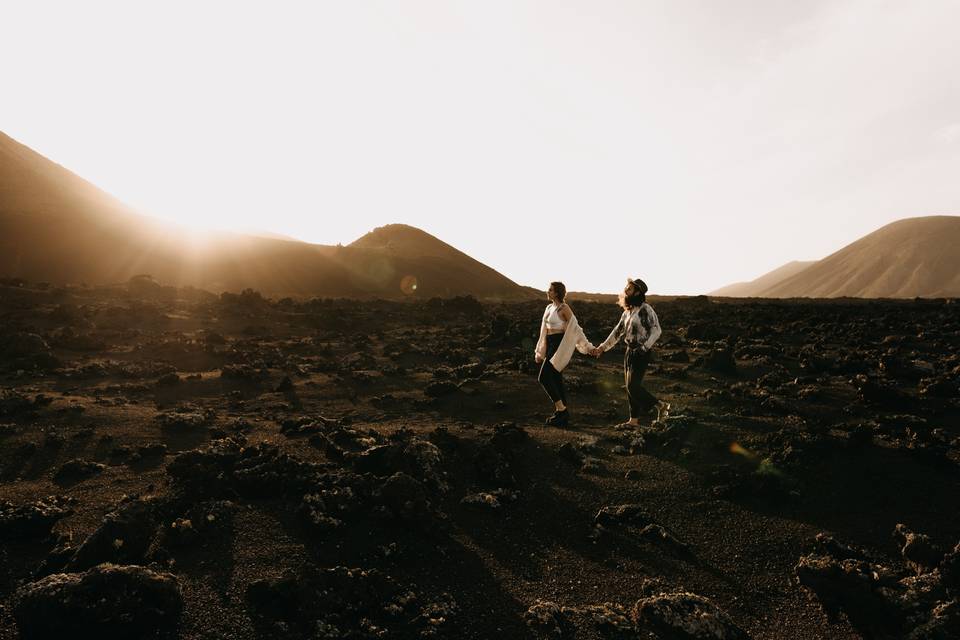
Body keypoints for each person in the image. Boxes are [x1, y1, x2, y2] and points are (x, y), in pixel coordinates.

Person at [591, 278, 669, 427]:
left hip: (641, 352)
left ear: (637, 292)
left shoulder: (645, 309)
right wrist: (602, 348)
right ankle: (633, 420)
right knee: (629, 387)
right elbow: (617, 332)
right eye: (627, 287)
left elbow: (656, 330)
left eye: (630, 288)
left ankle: (661, 406)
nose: (626, 289)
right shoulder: (628, 311)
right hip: (629, 352)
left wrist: (645, 347)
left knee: (633, 386)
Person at [535, 281, 595, 427]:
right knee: (556, 378)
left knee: (543, 377)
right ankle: (562, 414)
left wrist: (588, 347)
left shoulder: (564, 308)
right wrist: (540, 350)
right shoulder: (549, 307)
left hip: (558, 345)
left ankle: (562, 410)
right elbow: (544, 331)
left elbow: (576, 328)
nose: (547, 291)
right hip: (550, 344)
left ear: (556, 293)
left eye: (550, 290)